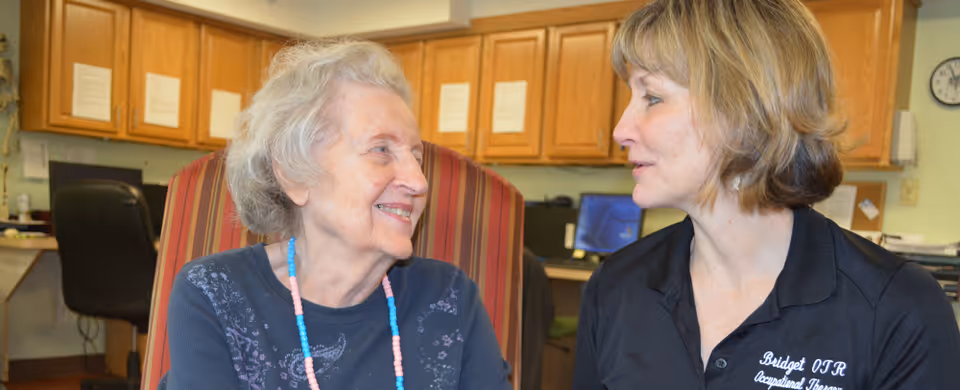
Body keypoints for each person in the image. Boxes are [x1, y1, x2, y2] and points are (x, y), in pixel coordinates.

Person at [573, 0, 960, 388]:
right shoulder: (615, 286)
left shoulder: (898, 309)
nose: (620, 130)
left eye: (652, 97)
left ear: (745, 112)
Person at [159, 39, 511, 390]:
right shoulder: (216, 295)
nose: (418, 182)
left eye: (417, 158)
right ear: (295, 174)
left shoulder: (449, 298)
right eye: (381, 150)